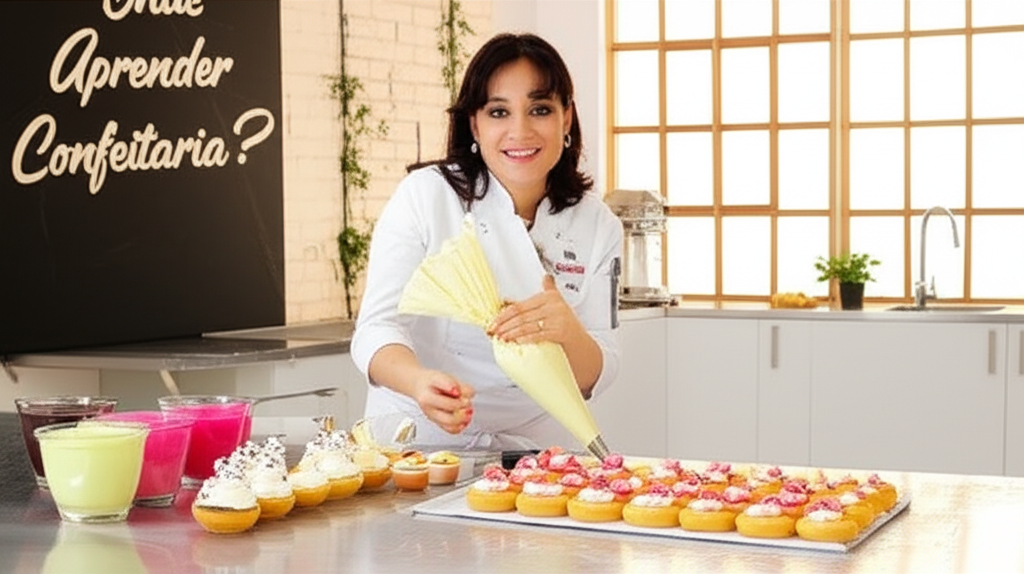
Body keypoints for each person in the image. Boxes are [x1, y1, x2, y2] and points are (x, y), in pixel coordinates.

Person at [350, 32, 623, 451]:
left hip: (536, 446)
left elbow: (599, 371)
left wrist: (568, 331)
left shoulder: (597, 223)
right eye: (499, 111)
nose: (520, 131)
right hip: (419, 439)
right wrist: (419, 382)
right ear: (474, 124)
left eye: (540, 109)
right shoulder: (427, 196)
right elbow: (375, 328)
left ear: (566, 118)